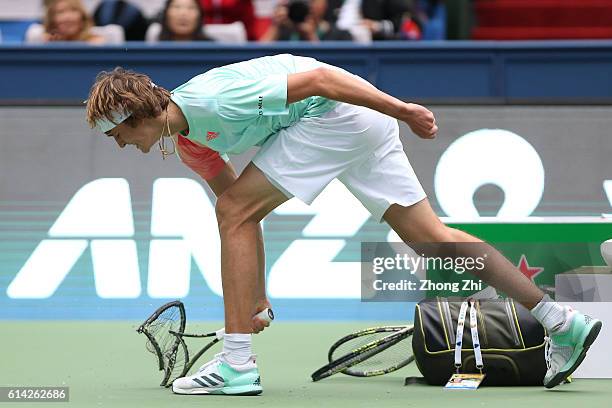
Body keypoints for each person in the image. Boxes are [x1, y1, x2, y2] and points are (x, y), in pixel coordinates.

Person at [85, 54, 602, 395]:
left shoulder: (211, 101)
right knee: (434, 241)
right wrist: (255, 296)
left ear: (136, 116)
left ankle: (237, 363)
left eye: (115, 133)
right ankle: (561, 321)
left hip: (338, 112)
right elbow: (241, 218)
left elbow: (321, 80)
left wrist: (402, 111)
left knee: (235, 210)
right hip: (350, 126)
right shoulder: (194, 145)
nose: (117, 144)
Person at [260, 0, 352, 42]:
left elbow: (332, 71)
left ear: (325, 3)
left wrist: (311, 36)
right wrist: (275, 27)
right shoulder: (282, 31)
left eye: (313, 1)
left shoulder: (341, 36)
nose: (308, 5)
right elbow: (256, 57)